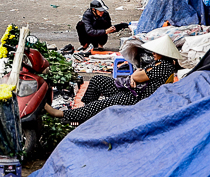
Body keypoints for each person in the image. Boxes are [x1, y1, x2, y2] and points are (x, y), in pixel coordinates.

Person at [44, 36, 180, 123]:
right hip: (131, 89)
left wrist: (135, 76)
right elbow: (138, 75)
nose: (153, 53)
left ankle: (62, 114)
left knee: (101, 105)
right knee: (97, 80)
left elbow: (139, 75)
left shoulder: (164, 66)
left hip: (137, 97)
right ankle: (86, 115)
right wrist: (135, 76)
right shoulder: (158, 63)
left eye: (156, 51)